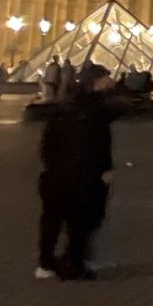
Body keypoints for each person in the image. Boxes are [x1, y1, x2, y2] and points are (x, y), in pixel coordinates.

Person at [36, 63, 120, 280]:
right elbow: (98, 144)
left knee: (52, 219)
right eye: (104, 80)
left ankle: (46, 263)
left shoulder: (64, 106)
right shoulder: (96, 109)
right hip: (84, 174)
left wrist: (48, 165)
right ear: (95, 82)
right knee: (81, 220)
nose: (108, 83)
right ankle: (74, 263)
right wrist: (105, 170)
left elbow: (47, 143)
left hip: (55, 173)